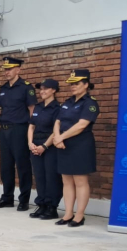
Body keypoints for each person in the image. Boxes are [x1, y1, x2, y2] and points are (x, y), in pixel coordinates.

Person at [53, 69, 100, 228]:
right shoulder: (67, 102)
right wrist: (57, 137)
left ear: (86, 85)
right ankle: (68, 214)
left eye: (77, 84)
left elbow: (82, 125)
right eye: (71, 84)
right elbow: (57, 121)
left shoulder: (90, 103)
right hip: (63, 145)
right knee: (66, 181)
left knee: (80, 181)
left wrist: (61, 137)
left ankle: (79, 215)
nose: (73, 86)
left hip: (80, 144)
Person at [0, 56, 38, 211]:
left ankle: (24, 200)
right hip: (4, 131)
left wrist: (31, 131)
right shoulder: (3, 88)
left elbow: (32, 111)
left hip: (19, 130)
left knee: (22, 165)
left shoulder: (26, 87)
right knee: (6, 166)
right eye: (5, 69)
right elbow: (4, 109)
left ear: (18, 69)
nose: (7, 72)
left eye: (10, 69)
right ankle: (7, 197)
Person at [28, 79, 63, 220]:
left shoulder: (58, 108)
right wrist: (30, 143)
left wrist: (44, 146)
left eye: (45, 89)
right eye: (40, 89)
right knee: (40, 176)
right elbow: (31, 126)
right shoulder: (38, 107)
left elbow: (56, 130)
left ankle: (52, 207)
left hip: (50, 145)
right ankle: (41, 204)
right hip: (35, 143)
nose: (42, 91)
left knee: (51, 177)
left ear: (54, 90)